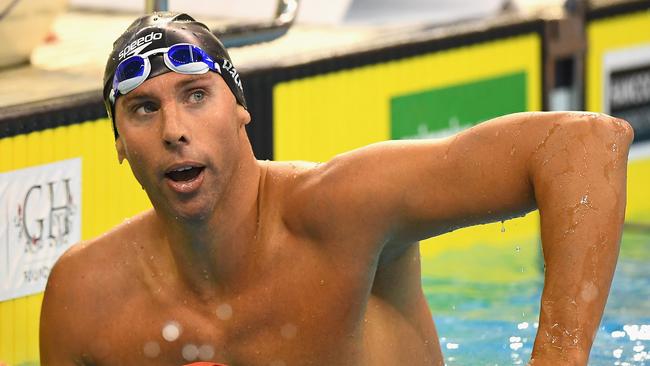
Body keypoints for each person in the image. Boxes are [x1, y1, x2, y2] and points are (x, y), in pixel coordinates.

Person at [39, 12, 633, 366]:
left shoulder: (344, 210)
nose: (175, 130)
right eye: (143, 109)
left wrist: (556, 355)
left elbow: (584, 145)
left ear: (240, 110)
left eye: (197, 95)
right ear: (118, 141)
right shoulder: (85, 297)